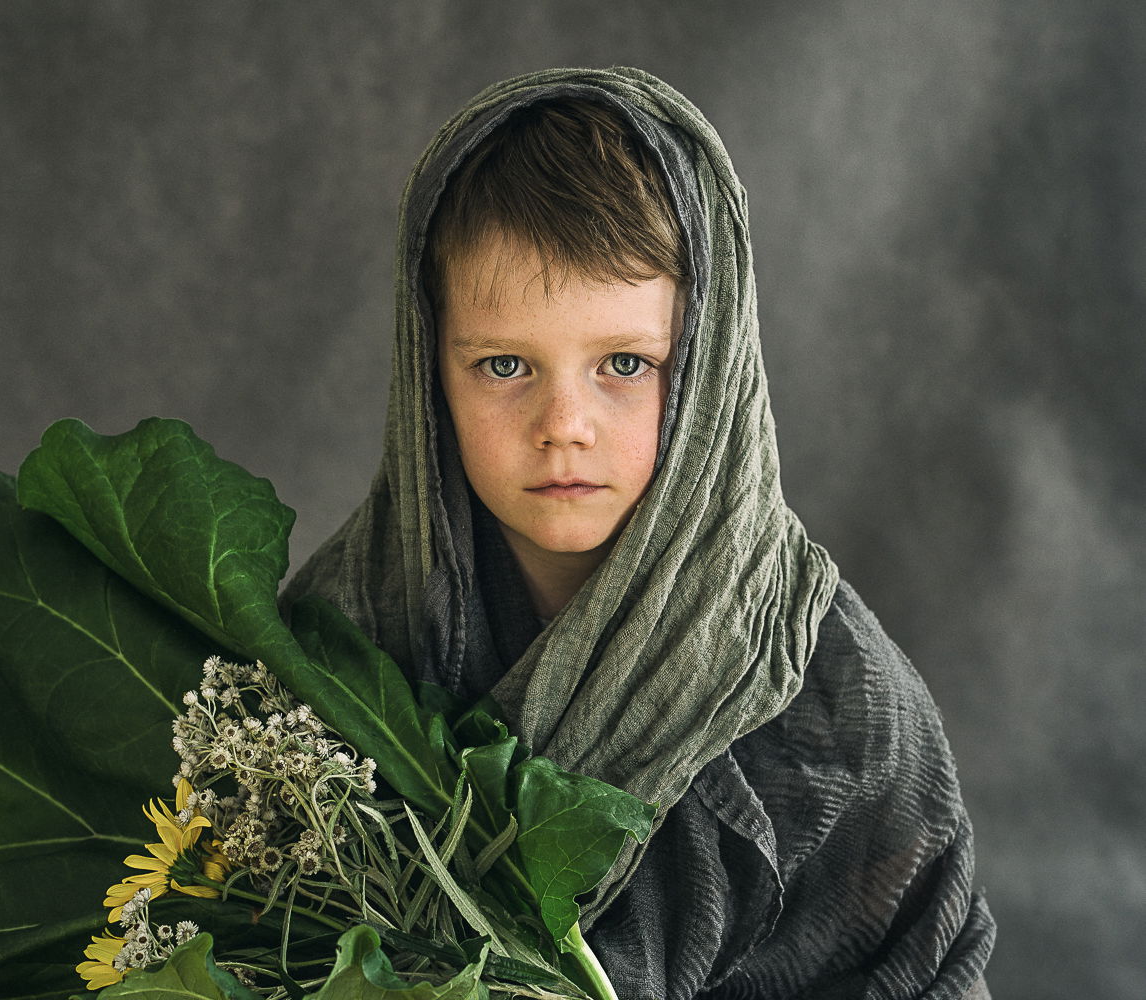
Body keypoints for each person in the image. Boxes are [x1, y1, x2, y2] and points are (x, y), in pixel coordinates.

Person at [283, 66, 995, 998]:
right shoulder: (340, 637)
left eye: (625, 362)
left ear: (707, 364)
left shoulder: (838, 712)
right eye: (504, 365)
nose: (564, 423)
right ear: (430, 373)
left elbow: (924, 967)